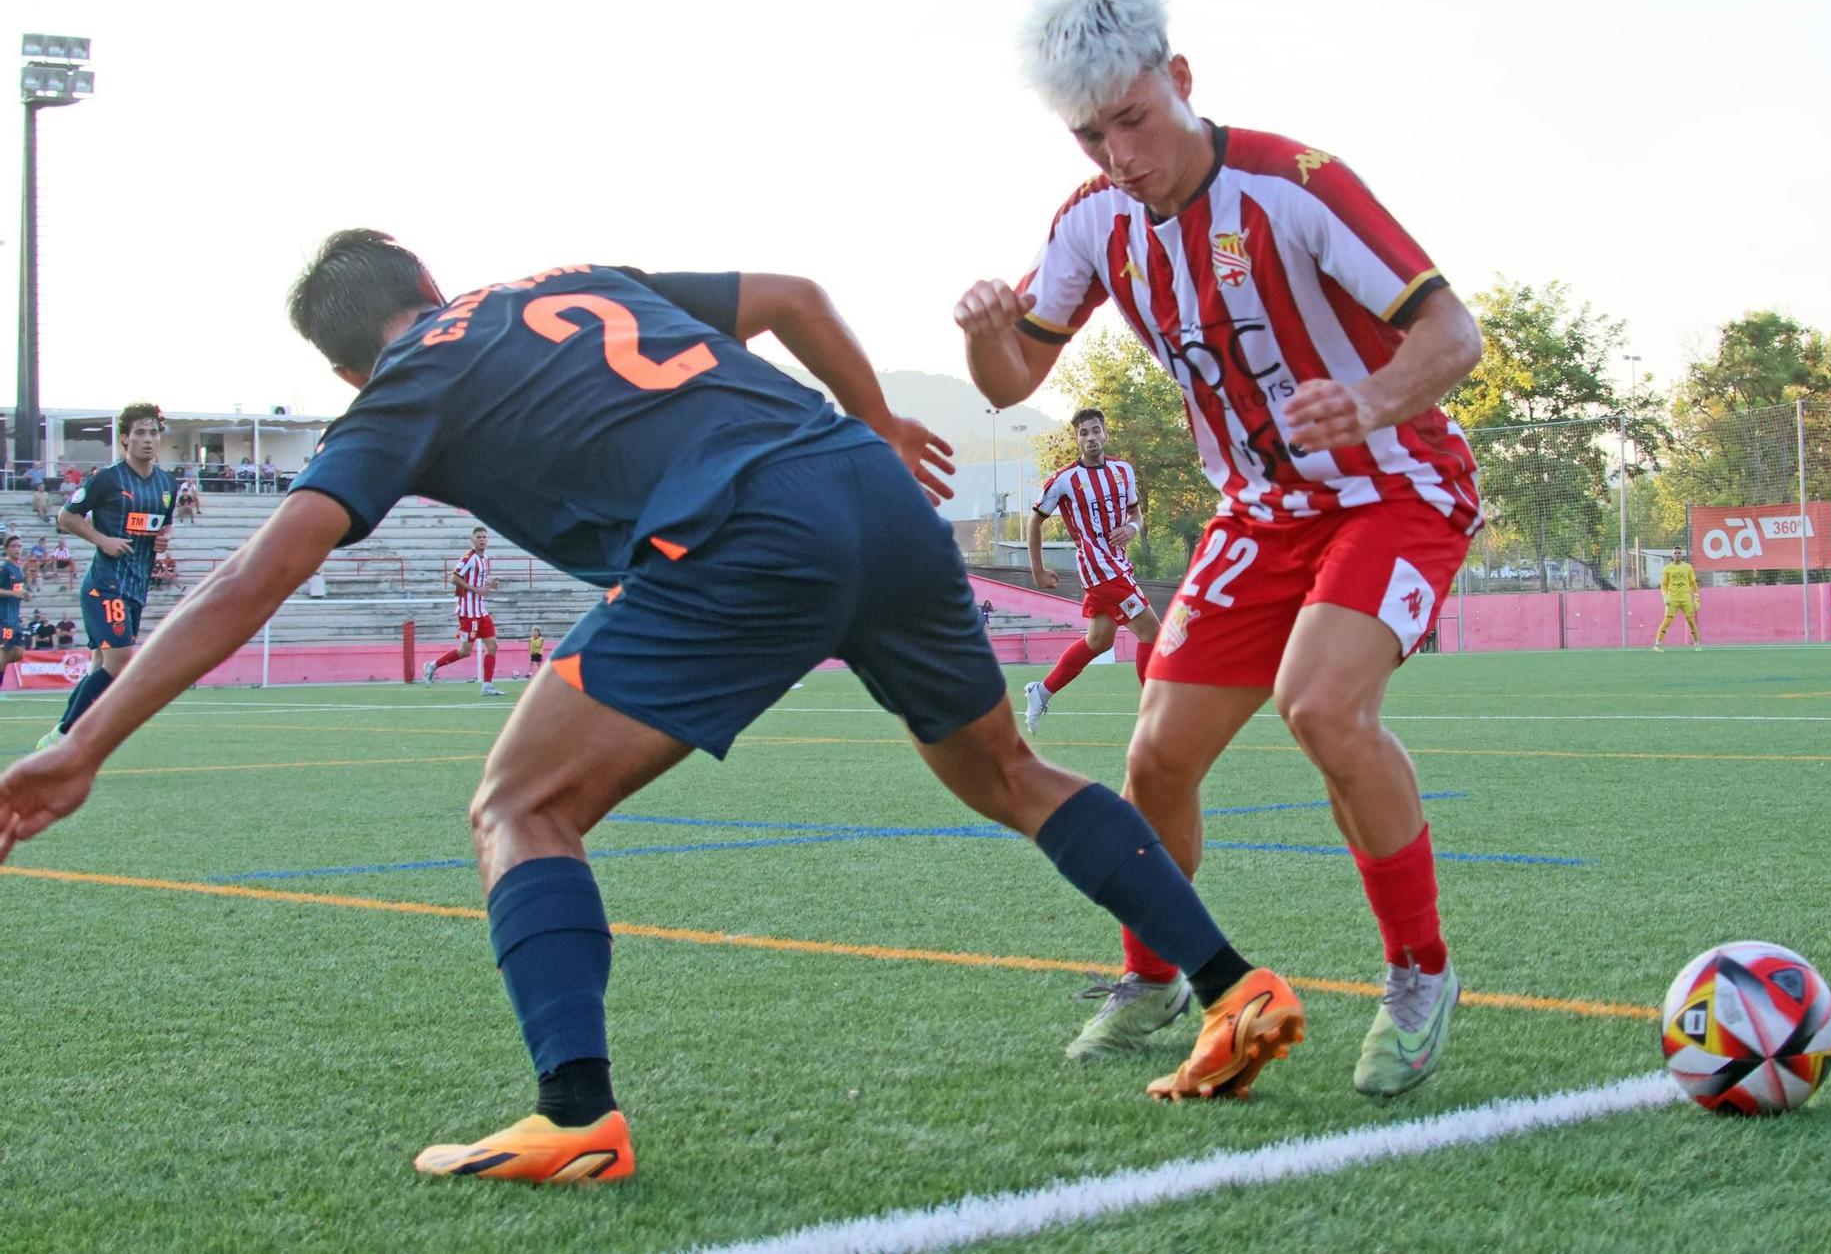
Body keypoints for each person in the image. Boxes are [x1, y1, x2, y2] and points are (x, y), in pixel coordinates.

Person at [0, 229, 1303, 1185]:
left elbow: (257, 568)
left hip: (741, 527)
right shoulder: (569, 279)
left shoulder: (405, 386)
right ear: (428, 279)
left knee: (521, 802)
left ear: (350, 363)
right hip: (865, 484)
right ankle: (1233, 985)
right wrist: (880, 421)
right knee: (1008, 770)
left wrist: (82, 743)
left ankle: (576, 1108)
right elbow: (791, 291)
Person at [954, 0, 1484, 1093]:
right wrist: (983, 335)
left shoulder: (1297, 184)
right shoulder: (1090, 222)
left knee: (1321, 706)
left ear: (1180, 81)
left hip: (1393, 485)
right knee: (1155, 755)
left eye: (1133, 120)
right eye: (1090, 134)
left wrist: (1374, 401)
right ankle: (1152, 978)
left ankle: (1418, 973)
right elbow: (1011, 380)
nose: (1118, 154)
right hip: (1258, 512)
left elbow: (1451, 331)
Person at [39, 405, 177, 748]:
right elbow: (66, 516)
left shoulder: (167, 484)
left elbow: (165, 524)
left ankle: (63, 734)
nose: (148, 439)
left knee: (101, 664)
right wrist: (103, 540)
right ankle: (64, 737)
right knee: (119, 662)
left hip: (136, 586)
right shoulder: (107, 479)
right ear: (124, 439)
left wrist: (163, 539)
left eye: (153, 433)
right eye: (140, 433)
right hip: (106, 583)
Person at [1022, 408, 1161, 736]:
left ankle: (1040, 692)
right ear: (1077, 439)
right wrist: (1038, 570)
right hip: (1100, 572)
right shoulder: (1065, 479)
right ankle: (1154, 717)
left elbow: (1136, 515)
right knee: (1151, 632)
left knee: (1098, 641)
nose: (1091, 437)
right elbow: (1035, 520)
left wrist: (1131, 528)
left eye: (1095, 430)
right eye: (1083, 433)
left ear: (1106, 434)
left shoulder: (1123, 471)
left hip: (1120, 566)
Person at [424, 527, 503, 696]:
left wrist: (490, 585)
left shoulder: (485, 559)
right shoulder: (469, 557)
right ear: (472, 540)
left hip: (481, 612)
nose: (482, 540)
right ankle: (432, 666)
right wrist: (476, 589)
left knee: (493, 646)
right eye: (479, 537)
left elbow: (479, 581)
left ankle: (487, 686)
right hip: (468, 614)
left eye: (484, 537)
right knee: (465, 651)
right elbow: (454, 578)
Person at [1655, 546, 1700, 651]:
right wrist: (1665, 596)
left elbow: (1693, 583)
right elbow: (1664, 584)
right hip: (1673, 598)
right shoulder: (1667, 568)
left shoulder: (1688, 567)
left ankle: (1697, 645)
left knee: (1691, 621)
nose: (1677, 555)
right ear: (1672, 555)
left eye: (1679, 553)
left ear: (1682, 555)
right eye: (1675, 553)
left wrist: (1697, 597)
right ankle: (1657, 645)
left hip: (1685, 598)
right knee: (1667, 621)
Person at [0, 536, 27, 686]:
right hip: (4, 619)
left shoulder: (18, 569)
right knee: (4, 650)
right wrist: (13, 594)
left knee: (18, 652)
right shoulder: (4, 569)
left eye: (19, 546)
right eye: (13, 546)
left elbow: (17, 590)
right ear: (7, 549)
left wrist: (25, 594)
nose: (17, 549)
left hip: (14, 619)